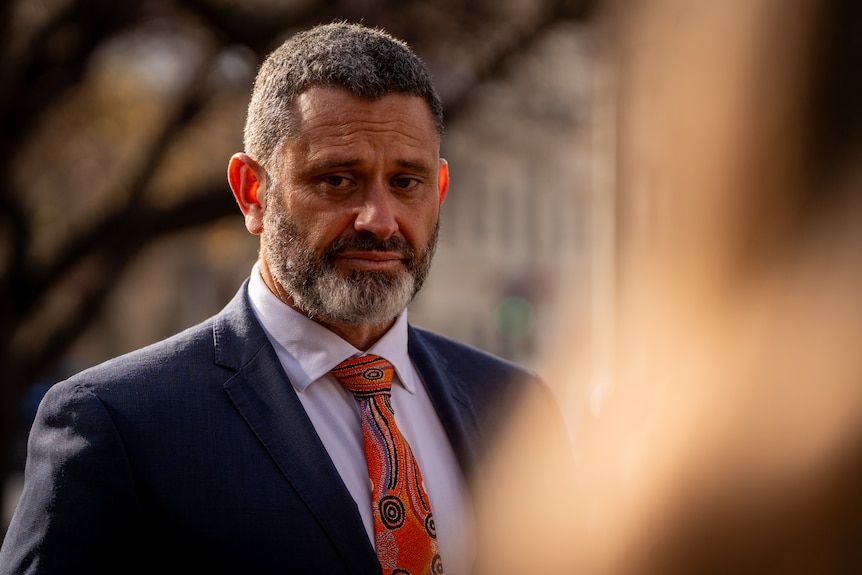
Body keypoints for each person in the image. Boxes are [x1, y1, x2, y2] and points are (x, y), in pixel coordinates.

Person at [0, 22, 571, 575]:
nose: (379, 219)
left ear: (439, 191)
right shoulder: (117, 425)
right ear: (253, 192)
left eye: (406, 182)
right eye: (337, 180)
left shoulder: (517, 408)